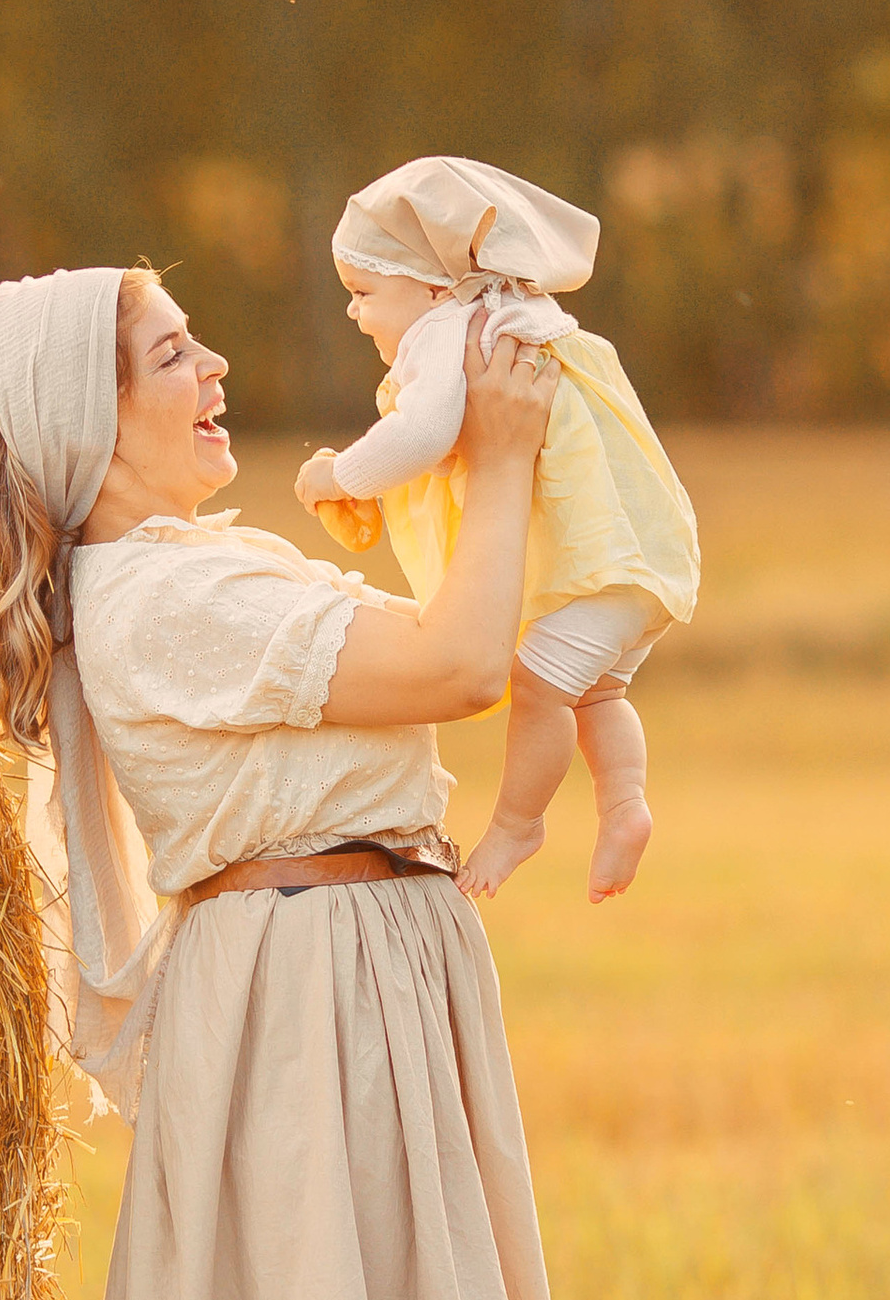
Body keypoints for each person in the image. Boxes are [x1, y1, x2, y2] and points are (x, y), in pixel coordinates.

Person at [0, 258, 654, 1300]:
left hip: (359, 970)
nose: (215, 374)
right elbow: (463, 667)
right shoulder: (170, 597)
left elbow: (467, 638)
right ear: (87, 416)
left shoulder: (211, 565)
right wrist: (511, 451)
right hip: (304, 994)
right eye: (172, 356)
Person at [291, 156, 701, 904]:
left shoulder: (449, 327)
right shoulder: (524, 315)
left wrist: (337, 475)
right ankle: (624, 806)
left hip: (596, 563)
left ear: (434, 284)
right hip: (637, 555)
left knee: (538, 690)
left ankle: (519, 823)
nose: (355, 312)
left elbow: (423, 432)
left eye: (363, 292)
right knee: (596, 696)